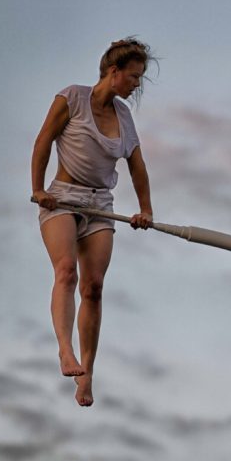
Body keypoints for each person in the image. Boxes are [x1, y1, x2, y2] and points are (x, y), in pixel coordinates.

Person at [31, 38, 155, 407]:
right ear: (113, 72)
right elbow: (42, 142)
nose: (137, 85)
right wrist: (37, 189)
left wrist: (146, 209)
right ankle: (65, 352)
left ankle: (87, 374)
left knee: (94, 288)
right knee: (67, 271)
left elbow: (137, 167)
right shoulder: (71, 98)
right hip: (62, 199)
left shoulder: (124, 117)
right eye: (133, 77)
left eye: (140, 78)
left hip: (101, 205)